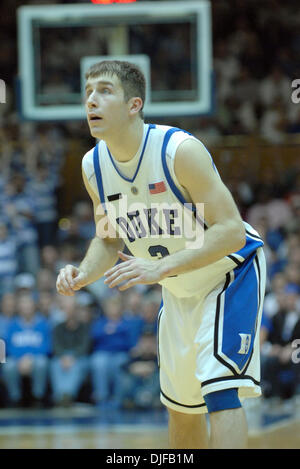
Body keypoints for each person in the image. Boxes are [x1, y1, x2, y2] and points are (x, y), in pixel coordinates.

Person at [56, 60, 266, 449]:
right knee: (181, 406)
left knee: (219, 389)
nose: (91, 100)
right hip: (176, 283)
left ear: (134, 105)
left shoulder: (178, 151)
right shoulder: (92, 166)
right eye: (87, 92)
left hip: (229, 273)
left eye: (104, 90)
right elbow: (109, 238)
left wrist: (160, 267)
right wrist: (83, 275)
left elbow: (232, 231)